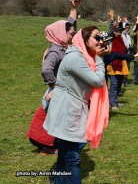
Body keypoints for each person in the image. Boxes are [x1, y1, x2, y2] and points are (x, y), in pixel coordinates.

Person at [44, 26, 109, 183]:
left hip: (70, 111)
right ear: (85, 40)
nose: (101, 41)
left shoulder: (84, 57)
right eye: (97, 38)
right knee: (72, 159)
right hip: (68, 113)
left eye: (101, 38)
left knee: (65, 156)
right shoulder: (75, 58)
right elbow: (98, 81)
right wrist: (100, 60)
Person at [27, 0, 83, 154]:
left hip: (64, 90)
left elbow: (70, 26)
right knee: (56, 118)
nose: (73, 36)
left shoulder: (63, 45)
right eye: (71, 34)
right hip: (58, 91)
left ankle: (57, 145)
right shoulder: (55, 51)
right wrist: (54, 86)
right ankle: (48, 145)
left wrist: (73, 8)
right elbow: (46, 70)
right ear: (60, 34)